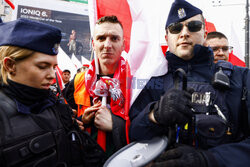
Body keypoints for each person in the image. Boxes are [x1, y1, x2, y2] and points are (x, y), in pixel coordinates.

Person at [129, 0, 250, 167]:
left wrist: (210, 160)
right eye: (176, 28)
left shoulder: (242, 78)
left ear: (205, 33)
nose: (184, 33)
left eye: (193, 26)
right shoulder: (152, 81)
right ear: (167, 37)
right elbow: (133, 134)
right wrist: (153, 116)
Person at [0, 18, 105, 166]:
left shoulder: (56, 104)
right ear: (10, 64)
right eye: (43, 66)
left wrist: (81, 122)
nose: (52, 75)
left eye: (54, 67)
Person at [64, 15, 131, 157]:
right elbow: (62, 125)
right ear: (93, 44)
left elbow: (145, 128)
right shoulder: (78, 81)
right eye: (101, 38)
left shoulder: (135, 82)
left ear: (123, 44)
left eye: (114, 38)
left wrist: (115, 125)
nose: (107, 45)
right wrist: (82, 121)